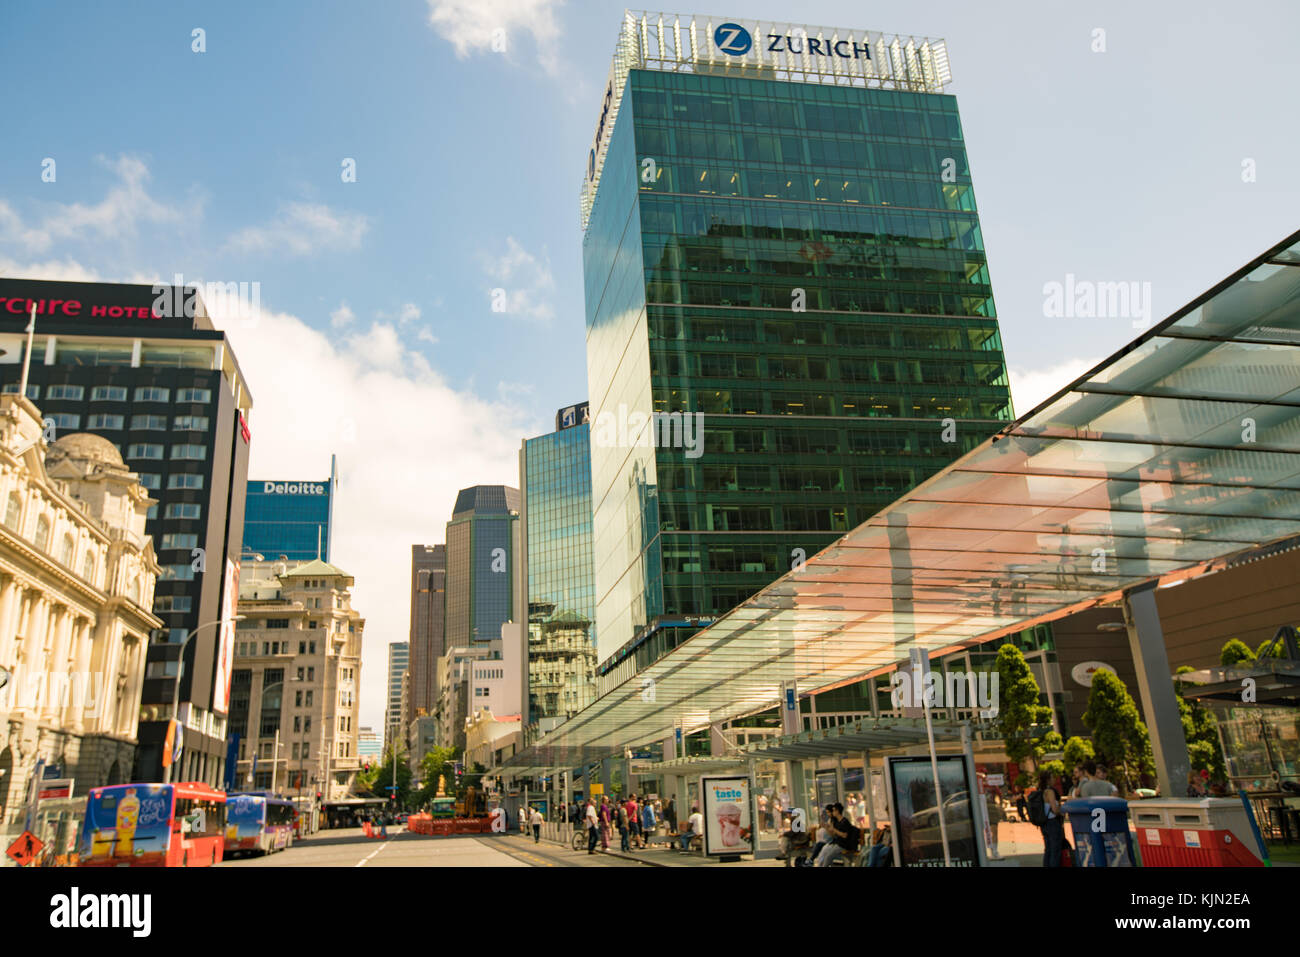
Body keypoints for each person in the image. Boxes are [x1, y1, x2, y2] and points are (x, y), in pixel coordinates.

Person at [1035, 771, 1066, 867]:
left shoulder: (1041, 791)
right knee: (1055, 850)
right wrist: (1061, 811)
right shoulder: (1050, 792)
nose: (1054, 779)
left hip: (1044, 823)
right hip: (1053, 822)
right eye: (1052, 778)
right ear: (1048, 780)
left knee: (1048, 849)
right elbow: (1054, 809)